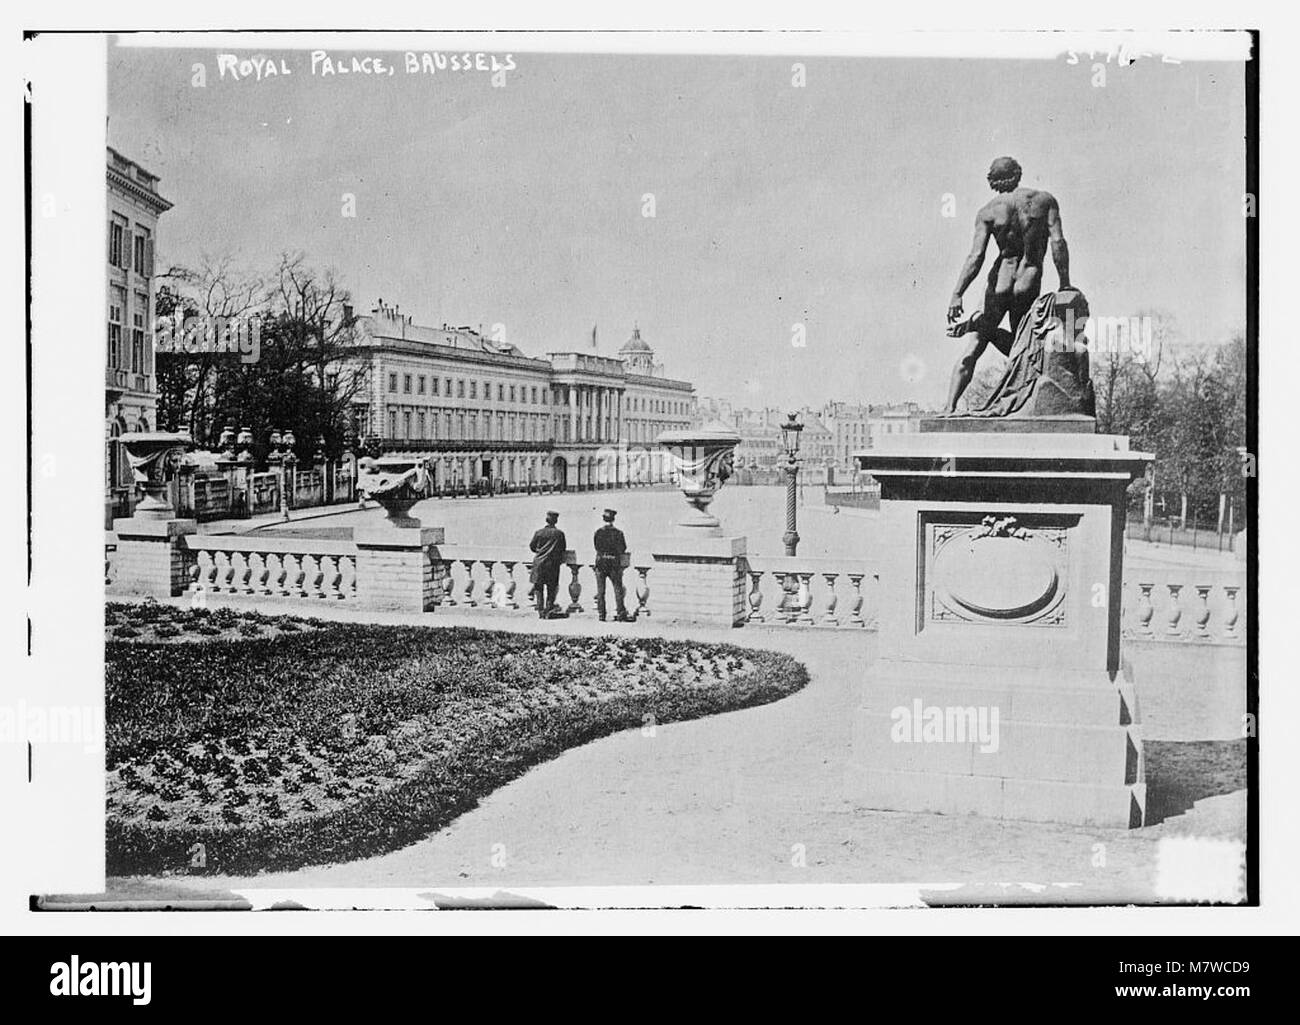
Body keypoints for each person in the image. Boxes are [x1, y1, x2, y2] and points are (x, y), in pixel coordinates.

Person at [944, 157, 1071, 412]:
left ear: (992, 181)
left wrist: (957, 294)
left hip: (1000, 279)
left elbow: (976, 257)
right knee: (1020, 347)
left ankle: (949, 407)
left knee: (975, 346)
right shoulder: (1045, 201)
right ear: (1018, 174)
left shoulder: (988, 211)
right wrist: (1065, 283)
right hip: (1028, 278)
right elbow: (1058, 242)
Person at [592, 508, 631, 622]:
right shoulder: (618, 533)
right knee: (618, 589)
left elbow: (596, 547)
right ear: (613, 519)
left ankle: (601, 614)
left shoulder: (598, 532)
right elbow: (623, 548)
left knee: (601, 591)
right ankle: (620, 613)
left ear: (603, 519)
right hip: (614, 563)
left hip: (601, 563)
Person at [529, 510, 567, 619]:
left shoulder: (539, 532)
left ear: (546, 520)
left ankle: (540, 611)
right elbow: (563, 549)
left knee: (538, 588)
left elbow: (532, 546)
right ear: (556, 521)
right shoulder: (559, 534)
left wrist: (540, 551)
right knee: (551, 588)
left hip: (539, 564)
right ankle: (549, 610)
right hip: (552, 565)